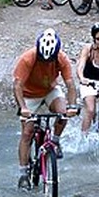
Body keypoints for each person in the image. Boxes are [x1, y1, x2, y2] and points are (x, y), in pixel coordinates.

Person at [13, 28, 80, 188]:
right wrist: (23, 108)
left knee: (62, 114)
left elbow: (70, 84)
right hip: (29, 94)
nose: (46, 63)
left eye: (49, 60)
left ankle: (55, 141)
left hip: (50, 90)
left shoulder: (61, 58)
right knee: (27, 133)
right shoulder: (27, 58)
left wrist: (72, 107)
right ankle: (23, 174)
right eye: (43, 60)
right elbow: (17, 86)